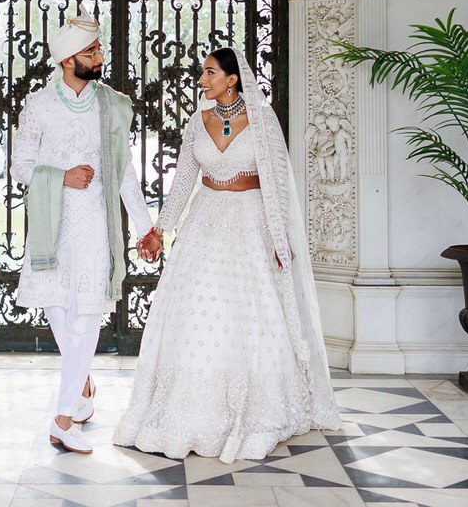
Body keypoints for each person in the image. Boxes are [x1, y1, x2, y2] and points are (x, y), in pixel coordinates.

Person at [114, 47, 339, 461]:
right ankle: (191, 409)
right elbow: (183, 180)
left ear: (232, 79)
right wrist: (160, 230)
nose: (202, 79)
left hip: (251, 224)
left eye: (210, 72)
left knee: (249, 314)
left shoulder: (262, 119)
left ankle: (258, 408)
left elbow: (275, 182)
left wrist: (280, 238)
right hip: (205, 221)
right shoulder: (197, 122)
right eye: (204, 72)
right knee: (199, 310)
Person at [12, 13, 162, 454]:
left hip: (96, 224)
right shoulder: (39, 105)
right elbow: (20, 167)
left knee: (86, 315)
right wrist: (60, 176)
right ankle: (82, 385)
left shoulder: (110, 104)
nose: (100, 57)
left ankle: (61, 420)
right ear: (66, 59)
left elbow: (124, 173)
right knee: (58, 310)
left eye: (98, 50)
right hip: (51, 224)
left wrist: (144, 226)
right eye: (91, 52)